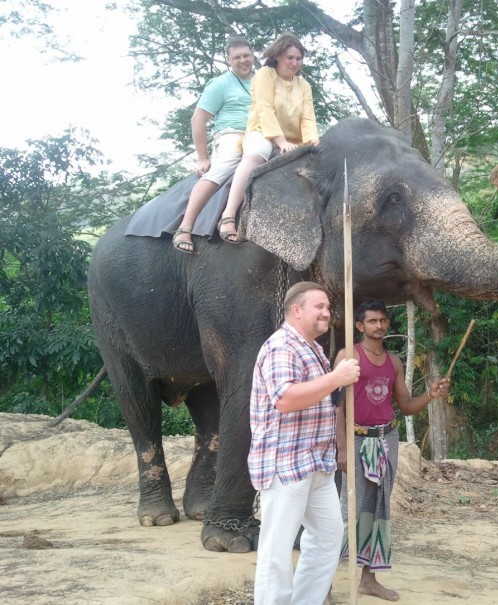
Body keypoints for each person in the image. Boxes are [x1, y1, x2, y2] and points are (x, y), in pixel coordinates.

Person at [249, 281, 360, 605]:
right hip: (286, 464)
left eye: (328, 307)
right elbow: (284, 398)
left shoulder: (310, 347)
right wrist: (336, 378)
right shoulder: (282, 346)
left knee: (327, 537)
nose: (327, 313)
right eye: (319, 307)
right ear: (296, 310)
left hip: (315, 465)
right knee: (277, 549)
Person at [334, 300, 450, 601]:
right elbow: (338, 408)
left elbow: (407, 407)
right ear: (360, 326)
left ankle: (368, 580)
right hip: (357, 441)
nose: (380, 326)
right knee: (349, 514)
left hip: (387, 441)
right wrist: (342, 450)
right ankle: (323, 585)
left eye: (383, 320)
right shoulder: (348, 356)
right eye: (372, 321)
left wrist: (431, 394)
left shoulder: (394, 362)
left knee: (379, 510)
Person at [216, 32, 320, 243]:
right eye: (290, 58)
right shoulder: (265, 74)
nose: (294, 63)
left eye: (298, 59)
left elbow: (307, 117)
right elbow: (265, 109)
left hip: (294, 141)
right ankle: (228, 215)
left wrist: (313, 141)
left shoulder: (304, 85)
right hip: (262, 132)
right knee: (257, 154)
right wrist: (280, 141)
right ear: (278, 57)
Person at [173, 36, 255, 254]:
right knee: (225, 166)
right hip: (232, 134)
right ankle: (185, 227)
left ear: (253, 56)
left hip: (260, 135)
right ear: (229, 60)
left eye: (246, 55)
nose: (243, 60)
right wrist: (203, 158)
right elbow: (198, 120)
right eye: (237, 57)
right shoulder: (220, 84)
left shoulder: (262, 82)